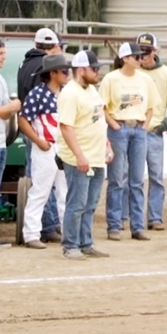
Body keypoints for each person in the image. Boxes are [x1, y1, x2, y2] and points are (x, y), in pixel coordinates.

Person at [99, 42, 162, 242]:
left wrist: (145, 125)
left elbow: (152, 105)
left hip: (137, 128)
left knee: (136, 180)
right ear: (125, 58)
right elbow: (102, 107)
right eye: (136, 57)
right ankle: (115, 225)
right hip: (120, 126)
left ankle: (136, 226)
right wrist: (113, 124)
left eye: (141, 56)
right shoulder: (111, 79)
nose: (140, 59)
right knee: (117, 179)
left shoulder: (145, 79)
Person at [58, 50, 111, 260]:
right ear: (81, 70)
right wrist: (79, 156)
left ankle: (85, 242)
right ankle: (70, 245)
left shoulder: (91, 90)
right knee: (77, 203)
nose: (98, 72)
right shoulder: (70, 94)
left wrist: (106, 144)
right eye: (94, 69)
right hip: (80, 158)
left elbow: (97, 119)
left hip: (95, 156)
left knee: (89, 204)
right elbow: (66, 127)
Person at [18, 28, 66, 244]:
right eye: (62, 70)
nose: (66, 73)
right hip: (47, 145)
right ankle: (31, 234)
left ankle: (67, 231)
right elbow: (23, 118)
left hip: (60, 147)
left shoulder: (64, 93)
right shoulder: (38, 94)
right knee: (41, 190)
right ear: (52, 73)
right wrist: (39, 141)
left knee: (63, 191)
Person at [135, 33, 167, 232]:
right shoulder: (132, 73)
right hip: (135, 129)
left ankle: (154, 217)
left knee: (155, 176)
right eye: (140, 52)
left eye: (146, 52)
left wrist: (165, 124)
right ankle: (131, 217)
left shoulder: (166, 74)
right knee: (132, 176)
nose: (142, 56)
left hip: (153, 130)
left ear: (154, 52)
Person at [0, 38, 19, 250]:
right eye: (0, 53)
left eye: (4, 53)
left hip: (0, 143)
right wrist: (13, 107)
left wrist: (9, 107)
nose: (3, 57)